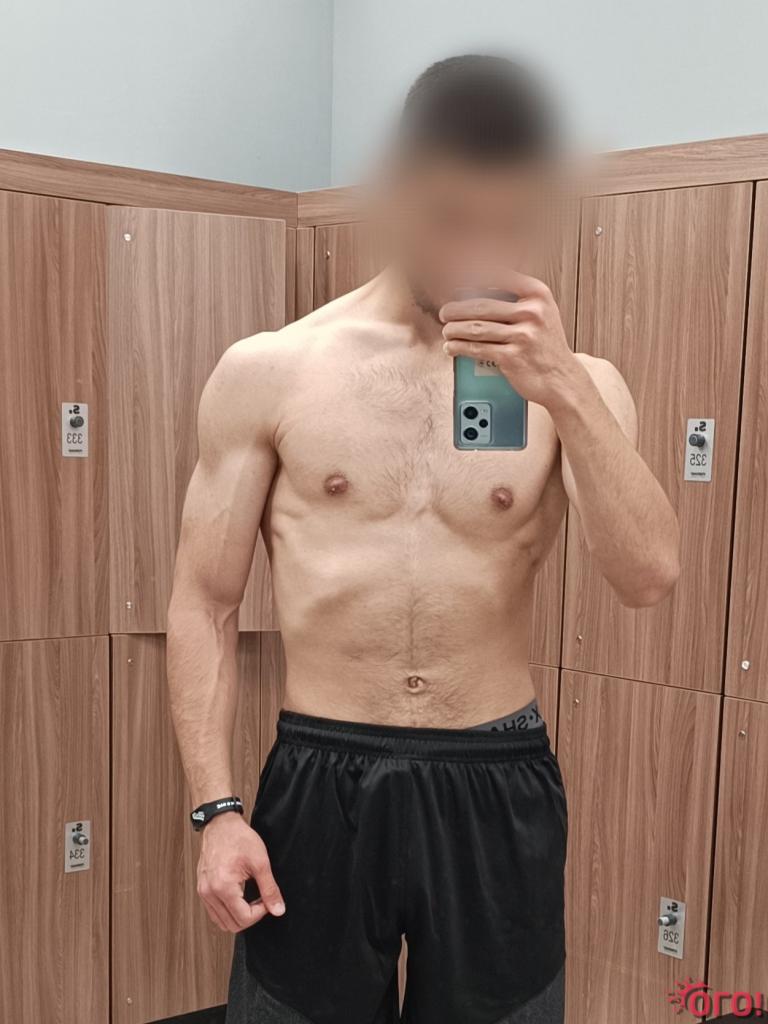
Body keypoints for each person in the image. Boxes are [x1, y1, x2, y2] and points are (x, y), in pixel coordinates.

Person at [167, 53, 680, 1024]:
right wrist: (216, 809)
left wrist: (565, 389)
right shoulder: (273, 371)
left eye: (504, 223)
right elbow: (205, 600)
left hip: (496, 777)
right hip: (321, 774)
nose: (475, 248)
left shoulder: (578, 386)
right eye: (451, 218)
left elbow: (648, 575)